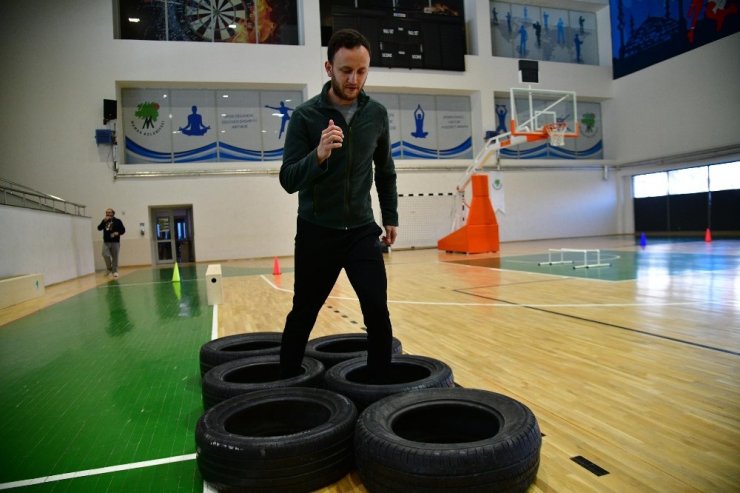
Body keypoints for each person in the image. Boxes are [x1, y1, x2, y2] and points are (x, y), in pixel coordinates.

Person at [278, 28, 398, 381]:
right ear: (329, 67)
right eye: (346, 70)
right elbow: (287, 179)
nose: (354, 79)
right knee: (304, 312)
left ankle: (379, 388)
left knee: (377, 309)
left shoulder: (376, 114)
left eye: (362, 71)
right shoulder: (304, 117)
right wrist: (318, 155)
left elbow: (385, 170)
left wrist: (390, 216)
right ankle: (285, 383)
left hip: (361, 230)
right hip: (317, 231)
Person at [97, 208, 125, 278]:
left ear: (113, 213)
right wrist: (103, 221)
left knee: (115, 257)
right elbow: (99, 228)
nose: (108, 214)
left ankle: (114, 271)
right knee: (105, 254)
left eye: (109, 212)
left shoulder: (118, 221)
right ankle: (109, 268)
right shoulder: (104, 221)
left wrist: (117, 233)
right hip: (106, 241)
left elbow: (123, 230)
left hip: (115, 241)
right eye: (107, 212)